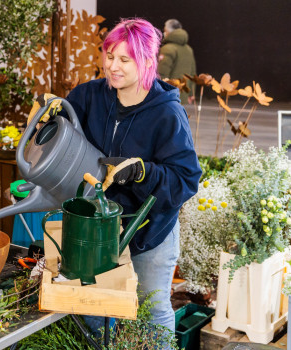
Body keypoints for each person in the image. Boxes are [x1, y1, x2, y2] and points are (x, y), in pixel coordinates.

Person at [60, 19, 201, 338]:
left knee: (152, 309)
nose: (113, 66)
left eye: (125, 59)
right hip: (97, 229)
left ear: (149, 62)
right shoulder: (88, 96)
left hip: (149, 232)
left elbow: (186, 180)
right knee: (93, 307)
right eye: (109, 56)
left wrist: (141, 171)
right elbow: (63, 136)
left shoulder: (166, 114)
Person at [158, 19, 196, 104]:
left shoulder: (167, 49)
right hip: (183, 94)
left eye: (165, 30)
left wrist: (157, 92)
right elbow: (193, 74)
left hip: (168, 95)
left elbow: (162, 73)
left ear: (168, 31)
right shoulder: (189, 49)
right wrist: (191, 93)